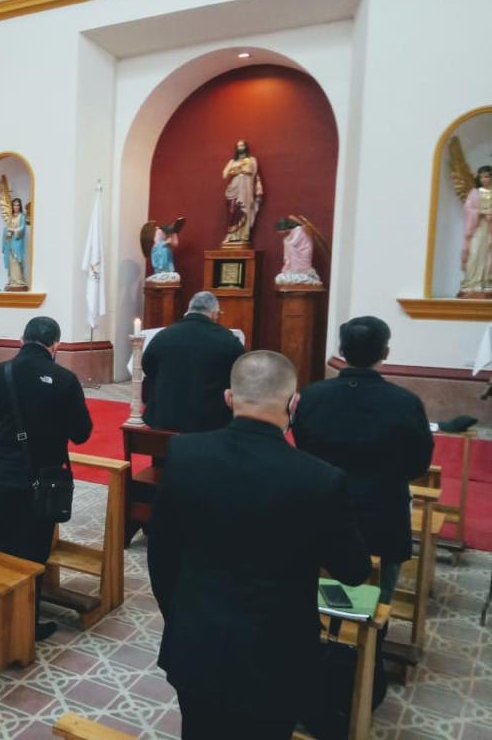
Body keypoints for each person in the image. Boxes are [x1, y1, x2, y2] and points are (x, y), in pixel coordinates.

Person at [147, 351, 371, 739]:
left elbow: (160, 555)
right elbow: (354, 571)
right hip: (277, 653)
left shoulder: (185, 454)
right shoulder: (320, 480)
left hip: (197, 641)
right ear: (293, 403)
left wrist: (182, 616)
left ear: (229, 399)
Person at [292, 316, 434, 603]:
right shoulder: (405, 403)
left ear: (342, 351)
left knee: (309, 594)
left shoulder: (312, 397)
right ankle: (372, 644)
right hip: (382, 515)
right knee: (376, 601)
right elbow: (419, 463)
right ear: (385, 353)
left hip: (321, 511)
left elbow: (303, 448)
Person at [0, 316, 92, 641]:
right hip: (45, 478)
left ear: (20, 340)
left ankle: (2, 615)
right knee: (36, 550)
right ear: (55, 345)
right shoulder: (64, 378)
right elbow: (82, 433)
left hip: (4, 475)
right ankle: (27, 623)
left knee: (7, 543)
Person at [141, 290, 244, 433]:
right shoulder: (228, 341)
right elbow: (240, 376)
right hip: (210, 424)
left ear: (188, 310)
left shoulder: (164, 336)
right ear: (214, 314)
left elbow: (147, 367)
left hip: (165, 419)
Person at [222, 139, 263, 244]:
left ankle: (243, 236)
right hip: (234, 187)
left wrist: (259, 186)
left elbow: (255, 174)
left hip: (246, 189)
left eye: (242, 146)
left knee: (244, 210)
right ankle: (231, 235)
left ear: (245, 147)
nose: (241, 148)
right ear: (237, 148)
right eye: (239, 146)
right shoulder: (232, 161)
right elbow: (224, 174)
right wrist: (237, 168)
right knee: (233, 211)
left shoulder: (251, 160)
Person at [459, 165, 492, 295]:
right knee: (475, 251)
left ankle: (486, 282)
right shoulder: (474, 193)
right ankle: (472, 282)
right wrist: (480, 212)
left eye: (487, 176)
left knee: (488, 254)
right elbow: (468, 209)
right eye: (481, 176)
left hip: (490, 228)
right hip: (477, 227)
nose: (484, 179)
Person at [2, 196, 28, 290]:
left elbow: (22, 228)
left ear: (19, 206)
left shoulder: (22, 216)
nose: (16, 207)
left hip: (17, 242)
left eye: (17, 205)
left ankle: (19, 281)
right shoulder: (11, 216)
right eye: (14, 205)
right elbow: (7, 227)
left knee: (17, 261)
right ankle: (12, 281)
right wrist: (7, 232)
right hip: (10, 242)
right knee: (11, 262)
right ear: (12, 206)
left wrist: (13, 230)